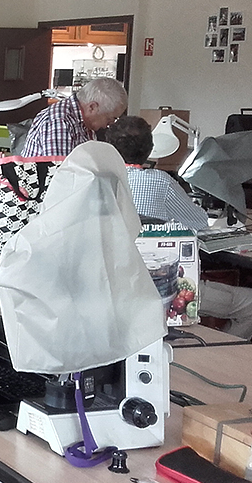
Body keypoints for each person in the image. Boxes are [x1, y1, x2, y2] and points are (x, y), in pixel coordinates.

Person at [104, 116, 252, 339]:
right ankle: (215, 353)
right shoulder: (160, 182)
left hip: (112, 288)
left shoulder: (100, 183)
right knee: (249, 305)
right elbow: (199, 222)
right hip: (163, 288)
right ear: (150, 148)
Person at [22, 78, 128, 158]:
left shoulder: (85, 122)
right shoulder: (60, 122)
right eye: (110, 119)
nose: (110, 124)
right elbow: (61, 175)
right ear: (92, 107)